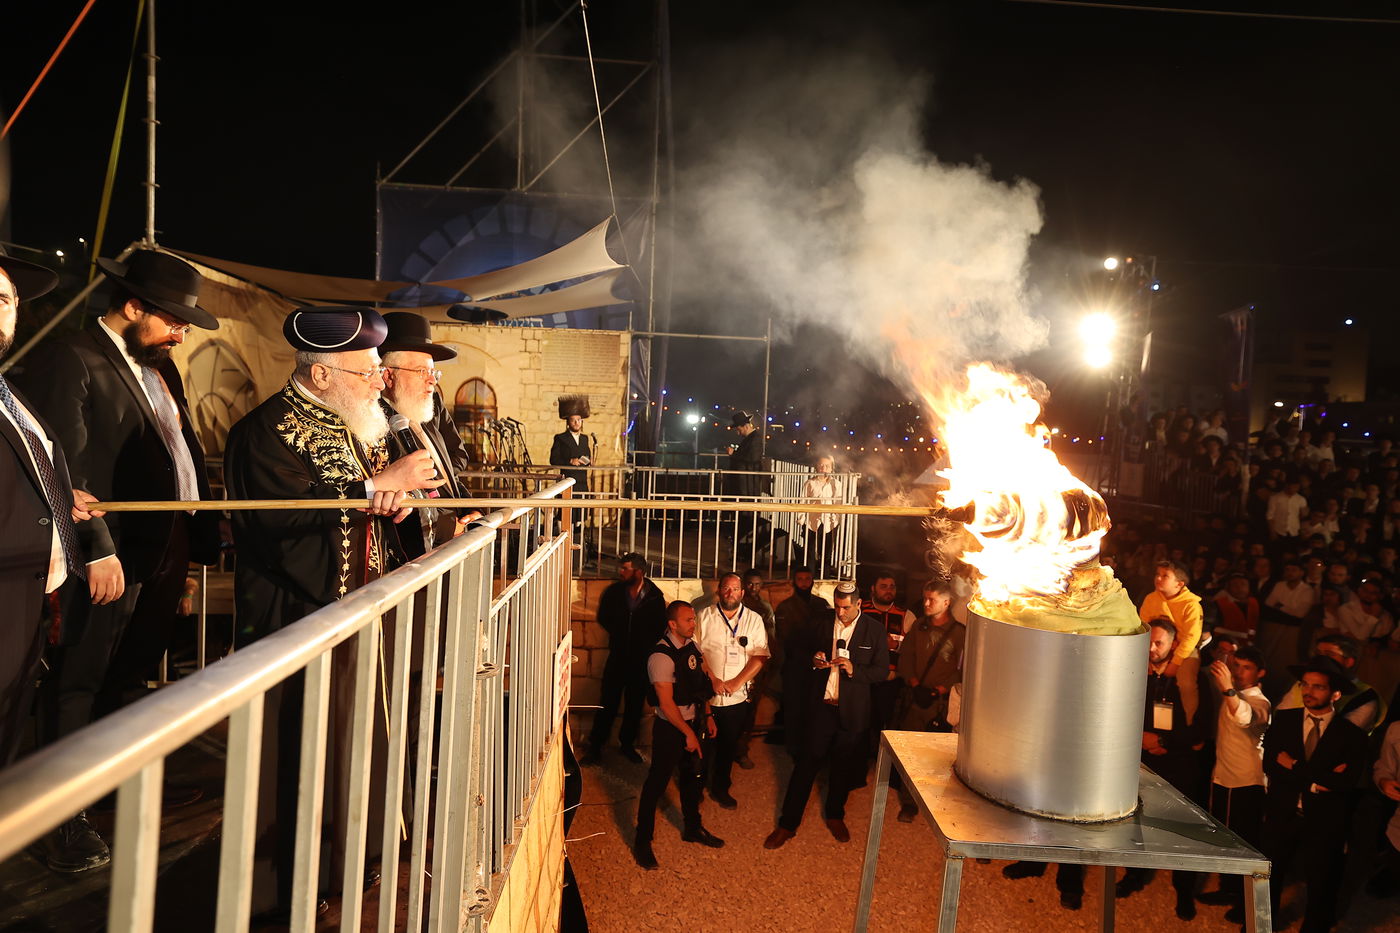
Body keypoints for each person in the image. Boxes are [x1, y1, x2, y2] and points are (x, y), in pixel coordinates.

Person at [225, 305, 441, 915]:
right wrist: (373, 489)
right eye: (368, 369)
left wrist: (389, 502)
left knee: (355, 749)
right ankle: (293, 886)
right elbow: (279, 527)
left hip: (356, 617)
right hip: (295, 622)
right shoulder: (262, 433)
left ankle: (355, 862)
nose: (379, 381)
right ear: (322, 374)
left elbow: (355, 505)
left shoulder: (348, 423)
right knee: (302, 758)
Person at [20, 250, 224, 872]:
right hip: (102, 556)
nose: (182, 332)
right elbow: (66, 469)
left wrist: (193, 541)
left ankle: (104, 786)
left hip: (160, 550)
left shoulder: (162, 368)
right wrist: (97, 548)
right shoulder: (73, 358)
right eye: (173, 319)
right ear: (132, 306)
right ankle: (58, 817)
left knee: (127, 674)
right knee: (75, 682)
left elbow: (176, 451)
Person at [0, 249, 91, 768]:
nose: (0, 312)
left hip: (27, 606)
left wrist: (58, 494)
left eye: (5, 301)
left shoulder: (11, 392)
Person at [764, 581, 888, 848]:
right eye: (837, 606)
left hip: (852, 711)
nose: (840, 612)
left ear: (858, 605)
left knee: (843, 766)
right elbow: (797, 650)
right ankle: (787, 824)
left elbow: (881, 671)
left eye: (845, 607)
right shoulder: (820, 623)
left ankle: (835, 815)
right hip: (822, 707)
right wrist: (813, 659)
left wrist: (854, 669)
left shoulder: (874, 631)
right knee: (806, 764)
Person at [1261, 656, 1369, 933]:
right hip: (1282, 812)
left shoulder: (1352, 735)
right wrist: (1318, 777)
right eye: (1305, 685)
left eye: (1318, 687)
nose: (1308, 691)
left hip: (1324, 820)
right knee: (1268, 877)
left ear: (1335, 693)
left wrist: (1295, 766)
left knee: (1321, 882)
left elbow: (1345, 782)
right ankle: (1261, 926)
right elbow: (1270, 764)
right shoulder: (1284, 720)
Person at [1118, 617, 1206, 918]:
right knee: (1137, 823)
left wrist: (1164, 741)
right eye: (1150, 641)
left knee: (1182, 829)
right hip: (1141, 763)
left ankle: (1184, 890)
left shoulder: (1189, 681)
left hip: (1179, 766)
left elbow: (1201, 731)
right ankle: (1134, 874)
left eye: (1160, 643)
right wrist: (1141, 740)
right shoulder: (1132, 672)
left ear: (1174, 645)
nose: (1153, 648)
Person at [378, 311, 478, 558]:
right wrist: (447, 524)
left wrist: (468, 510)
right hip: (413, 549)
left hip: (453, 530)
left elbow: (451, 461)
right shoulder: (373, 421)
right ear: (388, 375)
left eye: (433, 372)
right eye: (422, 372)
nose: (432, 381)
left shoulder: (430, 404)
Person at [632, 601, 723, 869]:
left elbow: (701, 685)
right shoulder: (660, 656)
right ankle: (642, 841)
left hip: (694, 721)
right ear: (672, 624)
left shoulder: (691, 648)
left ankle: (693, 828)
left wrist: (707, 716)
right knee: (656, 784)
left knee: (693, 777)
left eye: (693, 619)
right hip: (671, 728)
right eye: (688, 620)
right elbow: (666, 704)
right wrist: (687, 734)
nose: (693, 624)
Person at [1196, 648, 1270, 922]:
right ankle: (1228, 889)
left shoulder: (1260, 701)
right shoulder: (1236, 694)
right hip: (1223, 777)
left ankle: (1246, 903)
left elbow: (1244, 717)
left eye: (1246, 667)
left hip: (1246, 782)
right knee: (1226, 839)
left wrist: (1227, 688)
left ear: (1260, 673)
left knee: (1244, 843)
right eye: (1236, 665)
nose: (1238, 672)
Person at [694, 572, 769, 808]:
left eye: (735, 589)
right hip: (708, 694)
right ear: (718, 590)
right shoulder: (703, 616)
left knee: (728, 745)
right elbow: (696, 654)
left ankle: (720, 788)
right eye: (726, 588)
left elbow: (760, 656)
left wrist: (736, 682)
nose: (730, 593)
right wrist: (713, 679)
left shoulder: (754, 620)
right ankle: (695, 786)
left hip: (737, 697)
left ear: (742, 593)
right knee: (702, 745)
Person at [585, 552, 667, 764]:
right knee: (607, 703)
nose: (621, 572)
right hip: (618, 657)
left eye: (626, 568)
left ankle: (627, 744)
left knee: (634, 705)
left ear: (638, 572)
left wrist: (642, 643)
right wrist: (620, 634)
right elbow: (604, 617)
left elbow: (659, 626)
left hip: (640, 661)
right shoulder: (614, 593)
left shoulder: (655, 596)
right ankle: (596, 746)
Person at [893, 579, 964, 821]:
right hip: (916, 698)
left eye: (931, 599)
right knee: (910, 751)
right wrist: (914, 684)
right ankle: (909, 801)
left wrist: (940, 690)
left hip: (940, 703)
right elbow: (907, 658)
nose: (925, 603)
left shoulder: (960, 634)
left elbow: (962, 668)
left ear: (946, 602)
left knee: (938, 756)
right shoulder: (919, 627)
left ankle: (935, 802)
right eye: (924, 597)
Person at [1138, 559, 1204, 726]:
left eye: (1165, 576)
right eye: (1157, 574)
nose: (1158, 578)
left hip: (1182, 651)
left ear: (1179, 584)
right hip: (1154, 648)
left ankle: (1191, 723)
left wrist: (1175, 662)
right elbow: (1142, 628)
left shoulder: (1191, 605)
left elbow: (1191, 637)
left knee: (1186, 683)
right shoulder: (1151, 599)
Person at [772, 565, 829, 755]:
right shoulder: (785, 607)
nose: (804, 583)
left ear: (812, 580)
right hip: (794, 667)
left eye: (807, 579)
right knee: (794, 709)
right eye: (800, 579)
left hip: (818, 667)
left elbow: (827, 635)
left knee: (814, 709)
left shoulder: (822, 605)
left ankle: (811, 746)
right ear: (794, 582)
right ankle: (794, 748)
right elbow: (784, 640)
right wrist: (807, 656)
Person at [734, 568, 776, 769]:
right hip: (734, 666)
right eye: (750, 584)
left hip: (757, 667)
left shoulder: (765, 608)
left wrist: (768, 665)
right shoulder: (736, 606)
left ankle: (741, 750)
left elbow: (771, 639)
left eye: (758, 584)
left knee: (749, 712)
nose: (754, 588)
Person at [862, 573, 907, 757]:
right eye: (884, 586)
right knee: (861, 721)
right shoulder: (861, 610)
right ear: (873, 588)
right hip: (863, 678)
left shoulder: (905, 615)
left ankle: (880, 761)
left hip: (890, 680)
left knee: (885, 721)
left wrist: (896, 645)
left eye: (892, 586)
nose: (889, 590)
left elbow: (912, 648)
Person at [726, 410, 770, 549]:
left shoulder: (755, 439)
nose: (737, 431)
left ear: (745, 426)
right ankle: (739, 544)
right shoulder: (751, 439)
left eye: (738, 428)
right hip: (744, 485)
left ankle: (741, 545)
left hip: (747, 486)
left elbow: (752, 458)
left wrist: (733, 455)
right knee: (743, 516)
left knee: (746, 517)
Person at [798, 455, 839, 573]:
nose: (823, 468)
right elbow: (802, 501)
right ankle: (810, 576)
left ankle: (824, 576)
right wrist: (801, 519)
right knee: (810, 551)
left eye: (827, 466)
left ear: (831, 468)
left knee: (827, 552)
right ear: (816, 467)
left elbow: (839, 502)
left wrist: (836, 519)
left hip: (829, 521)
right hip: (812, 520)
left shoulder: (836, 484)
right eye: (821, 465)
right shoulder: (810, 483)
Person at [549, 395, 592, 493]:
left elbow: (587, 456)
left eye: (579, 420)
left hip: (582, 483)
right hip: (567, 482)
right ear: (568, 422)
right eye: (573, 420)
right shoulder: (560, 438)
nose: (577, 423)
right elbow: (553, 460)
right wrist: (569, 461)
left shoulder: (585, 438)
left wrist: (587, 461)